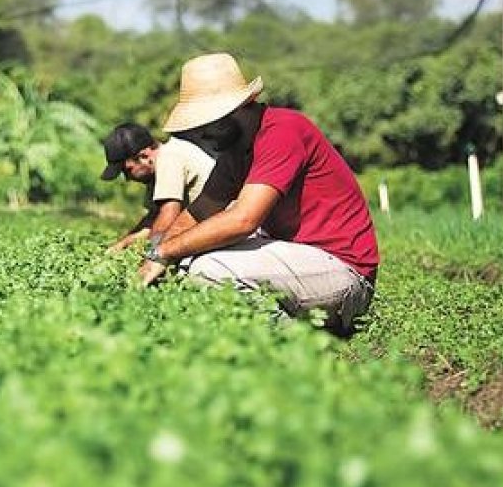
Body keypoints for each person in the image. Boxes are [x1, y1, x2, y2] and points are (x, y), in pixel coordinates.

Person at [140, 53, 379, 334]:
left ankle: (292, 343)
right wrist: (155, 256)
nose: (202, 135)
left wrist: (164, 252)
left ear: (237, 109)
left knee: (208, 270)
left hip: (344, 271)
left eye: (206, 124)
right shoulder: (235, 153)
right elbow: (197, 213)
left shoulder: (283, 130)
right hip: (300, 262)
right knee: (187, 261)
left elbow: (243, 221)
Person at [99, 122, 216, 252]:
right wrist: (122, 245)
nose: (127, 178)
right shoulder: (157, 168)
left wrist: (150, 254)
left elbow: (168, 215)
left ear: (144, 156)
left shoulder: (169, 157)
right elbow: (153, 219)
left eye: (127, 170)